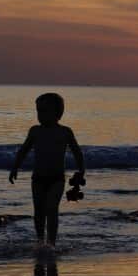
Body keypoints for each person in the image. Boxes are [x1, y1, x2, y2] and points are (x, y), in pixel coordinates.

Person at [9, 93, 85, 247]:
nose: (40, 115)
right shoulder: (35, 131)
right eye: (38, 111)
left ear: (58, 113)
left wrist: (81, 170)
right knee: (38, 212)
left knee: (51, 209)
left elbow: (77, 151)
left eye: (44, 111)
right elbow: (23, 150)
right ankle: (40, 240)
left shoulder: (65, 132)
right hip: (38, 178)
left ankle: (51, 243)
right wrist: (14, 168)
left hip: (57, 179)